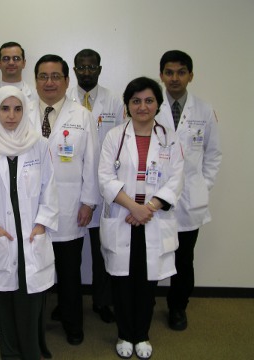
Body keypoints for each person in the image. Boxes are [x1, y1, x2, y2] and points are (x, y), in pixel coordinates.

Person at [0, 86, 59, 360]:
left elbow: (49, 187)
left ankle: (31, 353)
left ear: (25, 110)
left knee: (31, 302)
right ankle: (10, 354)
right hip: (2, 236)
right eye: (4, 109)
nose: (11, 115)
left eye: (17, 109)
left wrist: (42, 224)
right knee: (4, 304)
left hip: (31, 236)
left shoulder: (38, 144)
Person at [98, 77, 184, 359]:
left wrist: (149, 207)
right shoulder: (114, 136)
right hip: (125, 217)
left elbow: (176, 179)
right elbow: (105, 178)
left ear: (157, 104)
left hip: (152, 220)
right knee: (122, 282)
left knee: (147, 283)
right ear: (128, 105)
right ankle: (125, 333)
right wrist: (134, 208)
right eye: (136, 101)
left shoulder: (169, 138)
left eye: (148, 101)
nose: (142, 106)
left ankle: (142, 335)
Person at [28, 54, 99, 346]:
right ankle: (32, 324)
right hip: (32, 207)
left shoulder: (81, 115)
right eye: (43, 76)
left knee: (70, 273)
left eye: (56, 76)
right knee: (34, 269)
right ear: (35, 81)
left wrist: (88, 202)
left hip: (70, 207)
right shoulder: (24, 111)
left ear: (67, 81)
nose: (49, 82)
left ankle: (73, 324)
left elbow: (91, 162)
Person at [157, 50, 222, 331]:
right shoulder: (150, 106)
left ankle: (177, 307)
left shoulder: (204, 110)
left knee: (184, 260)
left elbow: (214, 155)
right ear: (161, 75)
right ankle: (145, 303)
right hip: (156, 199)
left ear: (190, 76)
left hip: (189, 201)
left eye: (181, 72)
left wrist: (201, 187)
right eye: (169, 72)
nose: (174, 78)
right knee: (153, 254)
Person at [67, 48, 124, 323]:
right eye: (81, 67)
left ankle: (103, 302)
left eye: (92, 67)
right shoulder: (65, 100)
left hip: (104, 190)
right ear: (74, 69)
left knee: (102, 251)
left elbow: (122, 142)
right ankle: (69, 302)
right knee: (70, 253)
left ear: (100, 69)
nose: (86, 72)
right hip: (72, 188)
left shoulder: (114, 101)